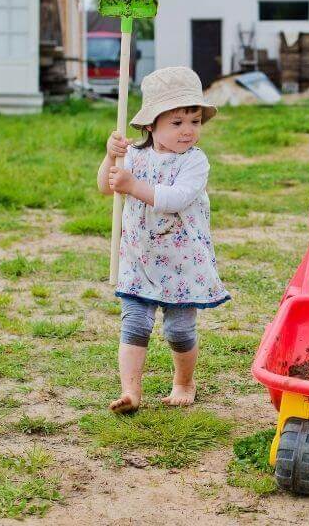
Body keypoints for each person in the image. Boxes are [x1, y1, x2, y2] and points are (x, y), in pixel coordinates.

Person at [97, 66, 231, 414]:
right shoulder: (135, 157)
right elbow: (105, 186)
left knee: (179, 331)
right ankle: (130, 391)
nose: (188, 130)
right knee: (135, 322)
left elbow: (174, 199)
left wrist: (133, 187)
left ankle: (184, 381)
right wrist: (111, 157)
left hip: (182, 262)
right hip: (140, 258)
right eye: (177, 122)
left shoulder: (195, 162)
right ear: (150, 125)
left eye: (195, 121)